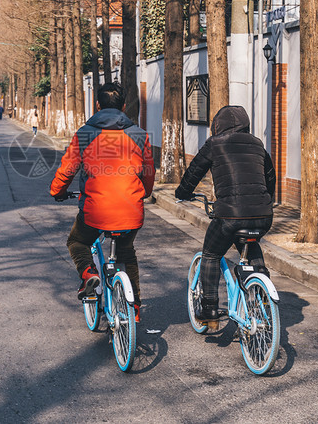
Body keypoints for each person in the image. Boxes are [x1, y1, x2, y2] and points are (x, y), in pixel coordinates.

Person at [51, 83, 155, 321]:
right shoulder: (139, 135)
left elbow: (67, 170)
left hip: (95, 211)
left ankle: (88, 273)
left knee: (77, 241)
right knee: (126, 253)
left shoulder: (85, 134)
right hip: (131, 211)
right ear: (124, 106)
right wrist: (144, 193)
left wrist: (57, 192)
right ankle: (135, 307)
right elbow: (148, 173)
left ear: (97, 105)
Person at [174, 105, 275, 325]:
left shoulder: (215, 144)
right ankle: (263, 299)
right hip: (263, 214)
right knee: (250, 245)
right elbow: (270, 176)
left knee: (211, 254)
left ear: (218, 125)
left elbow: (195, 170)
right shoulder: (257, 144)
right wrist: (265, 201)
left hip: (229, 215)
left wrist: (182, 192)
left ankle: (209, 310)